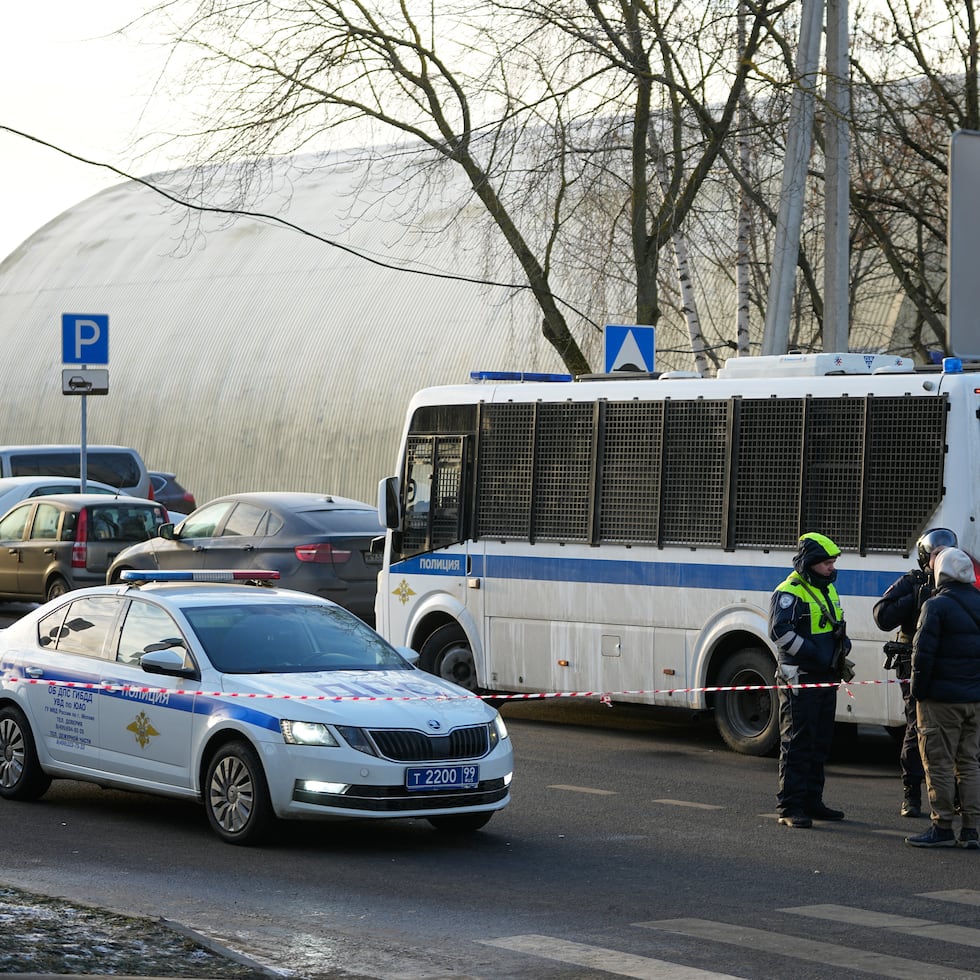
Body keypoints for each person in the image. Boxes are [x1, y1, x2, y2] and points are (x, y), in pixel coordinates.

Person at [873, 527, 958, 818]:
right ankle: (912, 793)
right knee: (917, 725)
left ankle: (956, 795)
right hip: (915, 663)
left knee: (953, 729)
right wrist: (915, 598)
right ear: (925, 557)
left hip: (948, 666)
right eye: (937, 554)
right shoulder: (913, 581)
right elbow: (882, 616)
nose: (942, 559)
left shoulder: (960, 585)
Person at [770, 532, 852, 829]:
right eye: (826, 563)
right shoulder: (789, 591)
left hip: (824, 676)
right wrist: (813, 652)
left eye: (833, 562)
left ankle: (812, 802)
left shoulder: (827, 588)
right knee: (797, 742)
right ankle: (790, 807)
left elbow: (832, 623)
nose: (832, 567)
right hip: (800, 677)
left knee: (820, 741)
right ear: (810, 563)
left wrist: (842, 645)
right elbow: (779, 632)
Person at [905, 547, 980, 848]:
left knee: (938, 763)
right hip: (974, 700)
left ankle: (943, 826)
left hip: (941, 700)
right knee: (970, 763)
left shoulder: (935, 606)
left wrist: (918, 694)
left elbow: (922, 656)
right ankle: (971, 829)